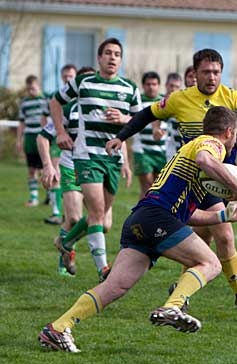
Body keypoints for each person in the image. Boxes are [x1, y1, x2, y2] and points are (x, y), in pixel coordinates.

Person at [38, 106, 237, 353]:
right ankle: (174, 306)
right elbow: (205, 160)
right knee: (211, 264)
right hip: (157, 218)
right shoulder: (211, 145)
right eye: (236, 135)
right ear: (229, 131)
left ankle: (57, 328)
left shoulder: (191, 152)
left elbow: (186, 214)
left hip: (142, 219)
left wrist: (224, 215)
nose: (235, 140)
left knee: (115, 287)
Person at [106, 49, 237, 316]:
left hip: (219, 181)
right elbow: (147, 114)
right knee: (224, 235)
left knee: (202, 239)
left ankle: (180, 295)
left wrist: (233, 143)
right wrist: (122, 136)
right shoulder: (180, 99)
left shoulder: (234, 98)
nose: (212, 77)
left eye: (216, 72)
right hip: (192, 181)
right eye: (206, 72)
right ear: (194, 73)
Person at [50, 38, 140, 282]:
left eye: (117, 54)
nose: (112, 58)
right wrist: (60, 131)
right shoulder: (83, 82)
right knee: (97, 211)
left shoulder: (130, 88)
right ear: (99, 58)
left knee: (99, 216)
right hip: (86, 156)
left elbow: (137, 121)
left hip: (113, 158)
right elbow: (55, 101)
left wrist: (123, 119)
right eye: (108, 53)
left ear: (121, 60)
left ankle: (66, 241)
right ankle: (103, 270)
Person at [38, 66, 97, 276]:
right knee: (73, 218)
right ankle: (65, 259)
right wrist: (48, 165)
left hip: (96, 167)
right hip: (71, 164)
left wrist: (124, 162)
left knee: (99, 221)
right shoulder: (68, 108)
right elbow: (43, 136)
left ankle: (64, 242)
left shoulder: (103, 107)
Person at [43, 64, 78, 225]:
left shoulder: (80, 95)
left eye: (71, 76)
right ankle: (57, 212)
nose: (68, 79)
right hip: (59, 139)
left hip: (78, 144)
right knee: (56, 174)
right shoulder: (55, 96)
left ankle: (67, 212)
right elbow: (45, 118)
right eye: (65, 76)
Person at [132, 71, 166, 199]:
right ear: (143, 86)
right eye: (148, 84)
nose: (151, 87)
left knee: (159, 188)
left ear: (158, 85)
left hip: (161, 151)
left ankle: (154, 215)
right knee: (147, 186)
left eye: (154, 84)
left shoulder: (165, 101)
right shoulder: (138, 102)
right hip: (142, 151)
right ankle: (142, 216)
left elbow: (170, 124)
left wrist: (164, 133)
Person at [16, 75, 48, 207]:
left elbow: (48, 120)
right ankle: (33, 198)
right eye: (28, 89)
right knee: (31, 169)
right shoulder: (24, 103)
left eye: (33, 88)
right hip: (29, 138)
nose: (31, 91)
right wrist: (19, 140)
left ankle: (50, 195)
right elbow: (21, 123)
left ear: (38, 86)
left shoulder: (45, 100)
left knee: (44, 169)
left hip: (41, 137)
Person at [163, 72, 183, 160]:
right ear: (166, 85)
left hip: (178, 147)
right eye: (171, 86)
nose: (173, 89)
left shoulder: (183, 104)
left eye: (177, 87)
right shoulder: (159, 104)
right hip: (160, 147)